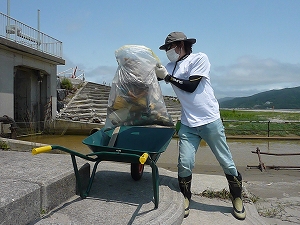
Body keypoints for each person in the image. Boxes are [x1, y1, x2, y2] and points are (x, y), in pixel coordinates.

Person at [154, 32, 246, 220]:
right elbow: (153, 76)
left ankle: (237, 198)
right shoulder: (170, 66)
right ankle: (186, 198)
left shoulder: (199, 58)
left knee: (226, 161)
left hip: (210, 120)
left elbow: (191, 86)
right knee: (185, 163)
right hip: (188, 123)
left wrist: (168, 78)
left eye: (170, 48)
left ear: (180, 45)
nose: (168, 52)